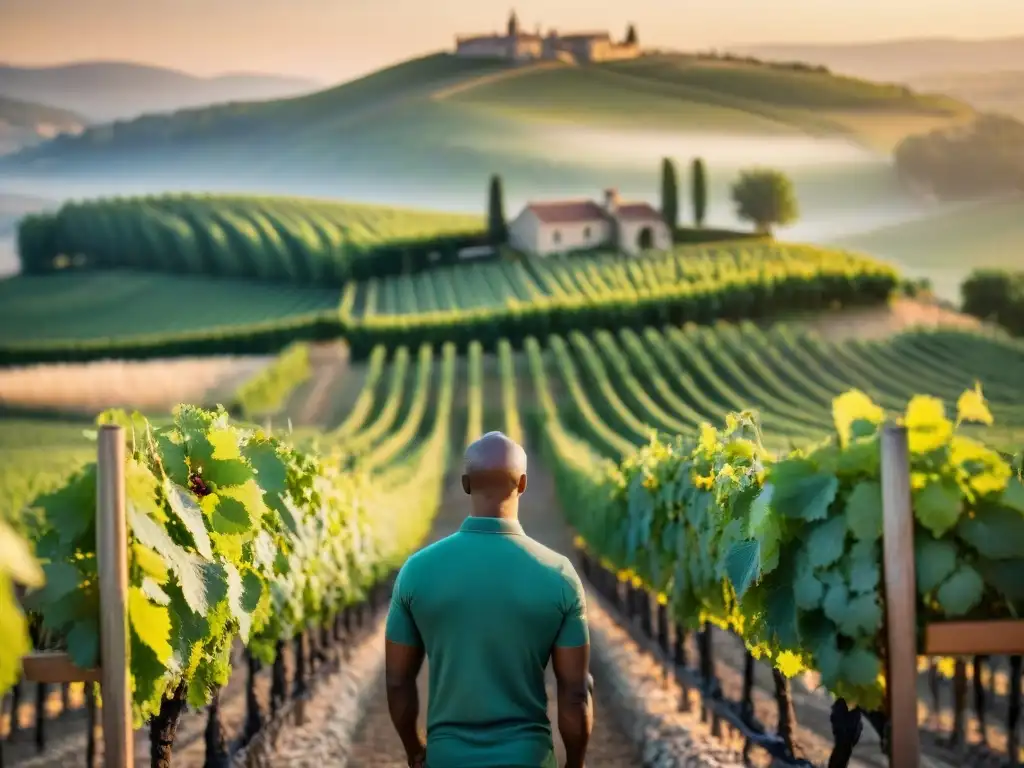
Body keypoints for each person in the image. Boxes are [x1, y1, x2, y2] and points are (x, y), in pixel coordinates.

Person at [385, 431, 593, 768]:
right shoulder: (559, 575)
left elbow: (397, 682)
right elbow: (576, 692)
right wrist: (576, 764)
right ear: (523, 484)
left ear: (465, 484)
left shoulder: (417, 571)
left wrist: (414, 750)